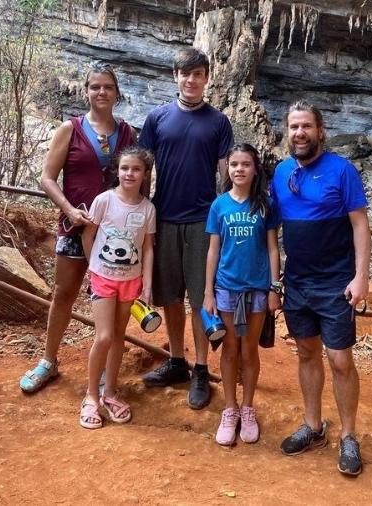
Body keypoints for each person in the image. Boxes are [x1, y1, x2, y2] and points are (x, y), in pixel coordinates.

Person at [19, 63, 137, 394]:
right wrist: (69, 210)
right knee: (64, 293)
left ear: (117, 93)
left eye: (108, 87)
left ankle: (105, 371)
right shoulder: (70, 130)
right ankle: (48, 361)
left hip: (115, 236)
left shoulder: (127, 133)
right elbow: (46, 177)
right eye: (95, 87)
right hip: (74, 227)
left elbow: (138, 180)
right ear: (86, 91)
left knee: (113, 301)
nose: (101, 92)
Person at [271, 101, 371, 476]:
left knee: (341, 359)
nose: (300, 133)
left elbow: (360, 225)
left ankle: (348, 435)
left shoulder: (342, 170)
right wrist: (275, 280)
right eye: (294, 126)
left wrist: (361, 277)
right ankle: (313, 426)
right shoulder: (281, 173)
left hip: (335, 281)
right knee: (306, 352)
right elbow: (273, 233)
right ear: (288, 131)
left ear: (320, 130)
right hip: (297, 280)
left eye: (307, 126)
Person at [138, 48, 235, 409]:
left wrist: (227, 211)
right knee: (171, 296)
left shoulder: (218, 122)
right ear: (174, 76)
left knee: (200, 296)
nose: (191, 80)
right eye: (185, 74)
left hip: (202, 220)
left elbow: (227, 169)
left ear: (207, 78)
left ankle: (199, 368)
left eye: (198, 74)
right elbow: (143, 168)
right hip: (164, 216)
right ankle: (177, 360)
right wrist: (139, 213)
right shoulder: (157, 118)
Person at [202, 143, 281, 445]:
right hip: (226, 288)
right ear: (227, 169)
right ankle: (229, 409)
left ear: (255, 168)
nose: (239, 169)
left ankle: (248, 408)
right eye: (234, 164)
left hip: (257, 289)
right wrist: (208, 291)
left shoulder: (265, 205)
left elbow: (273, 247)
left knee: (250, 350)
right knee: (229, 349)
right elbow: (213, 249)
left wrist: (275, 287)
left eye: (245, 164)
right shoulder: (219, 205)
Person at [78, 147, 156, 429]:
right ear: (117, 171)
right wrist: (93, 266)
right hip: (103, 277)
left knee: (119, 336)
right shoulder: (104, 201)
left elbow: (147, 247)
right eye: (124, 168)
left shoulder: (148, 209)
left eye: (136, 169)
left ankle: (110, 392)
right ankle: (90, 396)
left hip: (131, 280)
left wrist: (146, 283)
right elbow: (89, 234)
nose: (129, 174)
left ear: (145, 174)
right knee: (104, 336)